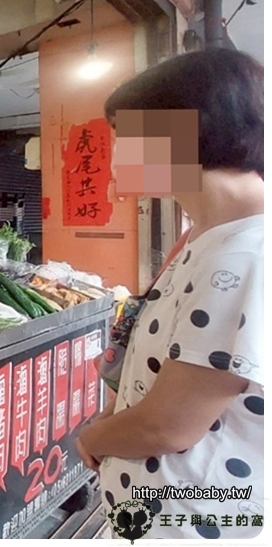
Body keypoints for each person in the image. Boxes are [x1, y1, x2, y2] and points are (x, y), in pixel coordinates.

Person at [76, 49, 263, 540]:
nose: (115, 153)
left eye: (121, 135)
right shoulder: (206, 234)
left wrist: (94, 436)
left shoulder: (247, 254)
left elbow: (167, 428)